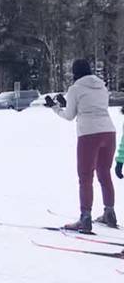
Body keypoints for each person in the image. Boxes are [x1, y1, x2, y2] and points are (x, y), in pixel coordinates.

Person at [45, 58, 117, 231]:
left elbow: (70, 116)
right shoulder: (102, 86)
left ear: (75, 73)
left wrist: (56, 107)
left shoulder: (75, 88)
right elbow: (93, 106)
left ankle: (85, 218)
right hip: (109, 132)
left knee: (85, 177)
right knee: (104, 173)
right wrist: (68, 103)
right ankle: (110, 213)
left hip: (89, 134)